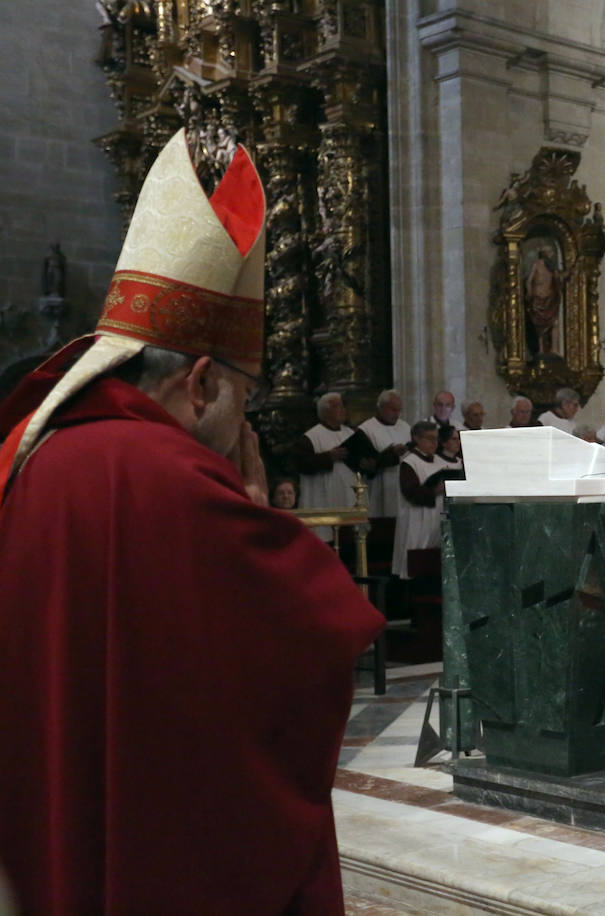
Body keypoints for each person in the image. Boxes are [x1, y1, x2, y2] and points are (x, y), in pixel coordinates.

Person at [0, 128, 383, 913]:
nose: (245, 416)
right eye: (244, 392)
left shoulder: (31, 448)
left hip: (39, 820)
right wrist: (250, 510)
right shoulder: (172, 478)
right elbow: (318, 637)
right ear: (202, 384)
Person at [393, 421, 452, 578]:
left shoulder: (440, 461)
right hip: (417, 519)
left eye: (436, 438)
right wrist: (435, 491)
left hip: (437, 516)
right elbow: (410, 492)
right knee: (415, 565)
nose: (434, 443)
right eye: (429, 438)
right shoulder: (409, 462)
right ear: (417, 439)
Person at [294, 391, 357, 539]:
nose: (343, 410)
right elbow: (300, 464)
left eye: (343, 406)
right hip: (322, 497)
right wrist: (328, 457)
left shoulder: (350, 434)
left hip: (348, 494)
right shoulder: (310, 437)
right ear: (325, 411)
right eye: (338, 406)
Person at [352, 389, 410, 519]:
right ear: (380, 407)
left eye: (399, 410)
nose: (397, 414)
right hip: (379, 488)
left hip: (402, 486)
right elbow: (365, 464)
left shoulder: (405, 427)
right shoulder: (365, 430)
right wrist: (390, 453)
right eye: (393, 410)